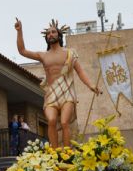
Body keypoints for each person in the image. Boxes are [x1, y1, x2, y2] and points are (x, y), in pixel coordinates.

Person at [15, 18, 100, 147]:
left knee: (65, 122)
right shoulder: (43, 56)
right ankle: (55, 154)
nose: (50, 34)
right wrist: (19, 31)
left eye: (53, 32)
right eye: (48, 33)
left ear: (59, 35)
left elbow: (80, 72)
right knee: (52, 120)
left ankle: (66, 153)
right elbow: (22, 51)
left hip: (67, 92)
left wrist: (91, 85)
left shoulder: (69, 54)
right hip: (51, 94)